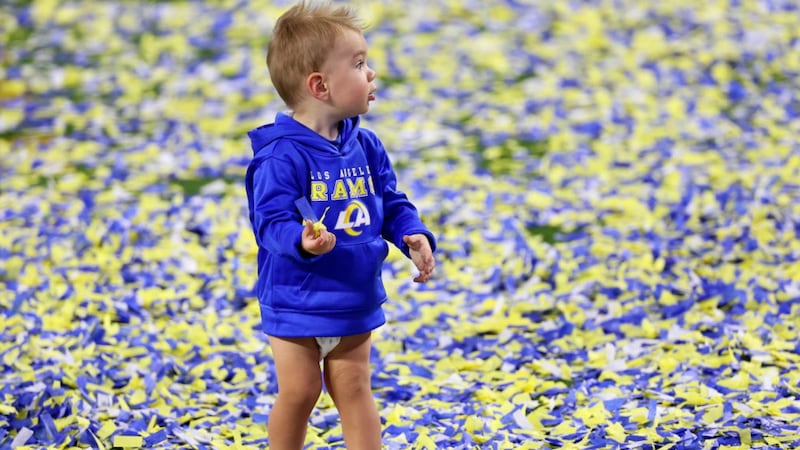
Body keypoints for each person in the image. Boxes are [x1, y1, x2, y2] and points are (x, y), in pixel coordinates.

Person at [243, 1, 436, 449]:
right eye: (359, 64)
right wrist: (301, 240)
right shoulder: (281, 156)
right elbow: (269, 223)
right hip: (297, 299)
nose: (371, 73)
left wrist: (411, 234)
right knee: (300, 392)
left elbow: (390, 202)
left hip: (353, 293)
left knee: (354, 388)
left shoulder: (366, 146)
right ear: (320, 85)